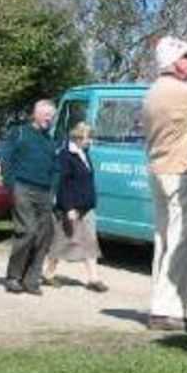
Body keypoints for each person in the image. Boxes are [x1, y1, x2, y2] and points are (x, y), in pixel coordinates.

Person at [142, 36, 187, 331]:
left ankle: (161, 306)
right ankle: (169, 310)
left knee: (164, 241)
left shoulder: (152, 91)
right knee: (180, 242)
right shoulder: (182, 92)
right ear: (173, 62)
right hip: (180, 171)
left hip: (158, 168)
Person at [1, 99, 58, 295]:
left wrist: (53, 189)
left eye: (51, 115)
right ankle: (13, 277)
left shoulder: (50, 140)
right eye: (45, 114)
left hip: (44, 192)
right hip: (22, 188)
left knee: (43, 237)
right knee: (27, 231)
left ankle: (31, 280)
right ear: (35, 114)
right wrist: (11, 185)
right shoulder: (20, 133)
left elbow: (55, 168)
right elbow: (6, 159)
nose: (48, 119)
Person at [42, 122, 106, 292]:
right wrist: (68, 208)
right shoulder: (65, 156)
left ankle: (93, 278)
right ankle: (48, 273)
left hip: (86, 207)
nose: (90, 141)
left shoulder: (84, 153)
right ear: (78, 137)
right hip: (70, 208)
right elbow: (62, 184)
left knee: (90, 241)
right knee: (62, 242)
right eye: (88, 137)